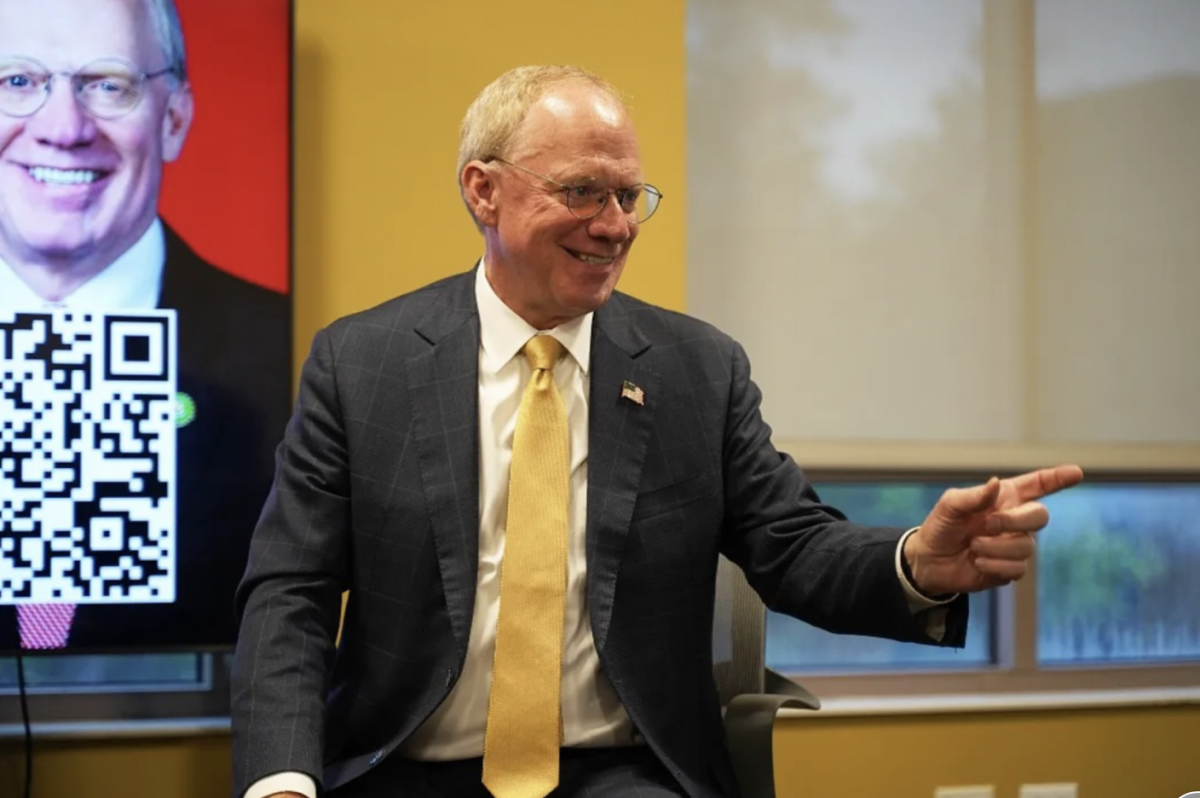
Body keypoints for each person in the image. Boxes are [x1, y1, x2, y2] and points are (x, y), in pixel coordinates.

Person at [230, 65, 1083, 798]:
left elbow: (789, 545)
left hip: (623, 772)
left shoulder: (696, 370)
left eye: (628, 195)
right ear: (481, 189)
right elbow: (290, 591)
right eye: (580, 193)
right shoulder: (363, 364)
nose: (615, 225)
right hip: (405, 767)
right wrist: (280, 779)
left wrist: (915, 566)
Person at [0, 0, 290, 650]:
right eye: (17, 81)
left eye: (108, 84)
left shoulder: (290, 358)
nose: (64, 128)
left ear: (175, 118)